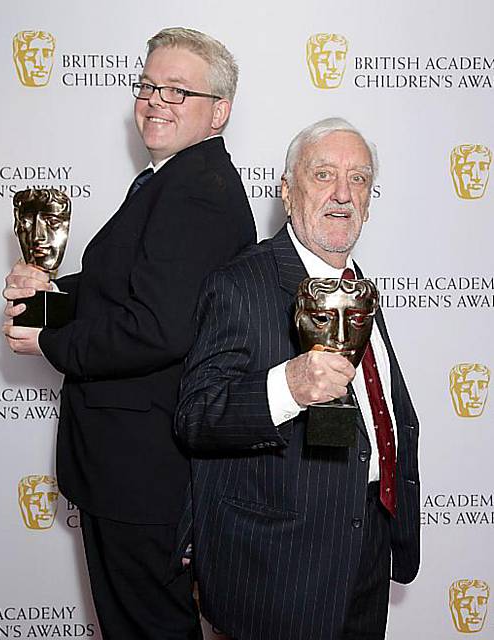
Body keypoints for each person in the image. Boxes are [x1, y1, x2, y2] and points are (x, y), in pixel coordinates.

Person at [3, 27, 256, 640]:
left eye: (177, 90)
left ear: (218, 111)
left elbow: (157, 329)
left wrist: (50, 340)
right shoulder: (174, 181)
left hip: (142, 473)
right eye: (148, 85)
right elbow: (131, 292)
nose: (156, 100)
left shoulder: (194, 190)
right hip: (135, 468)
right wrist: (51, 297)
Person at [175, 117, 420, 640]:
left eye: (359, 179)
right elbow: (195, 418)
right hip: (278, 568)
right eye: (324, 174)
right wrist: (287, 386)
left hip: (367, 549)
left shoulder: (360, 289)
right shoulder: (240, 284)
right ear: (287, 192)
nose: (343, 194)